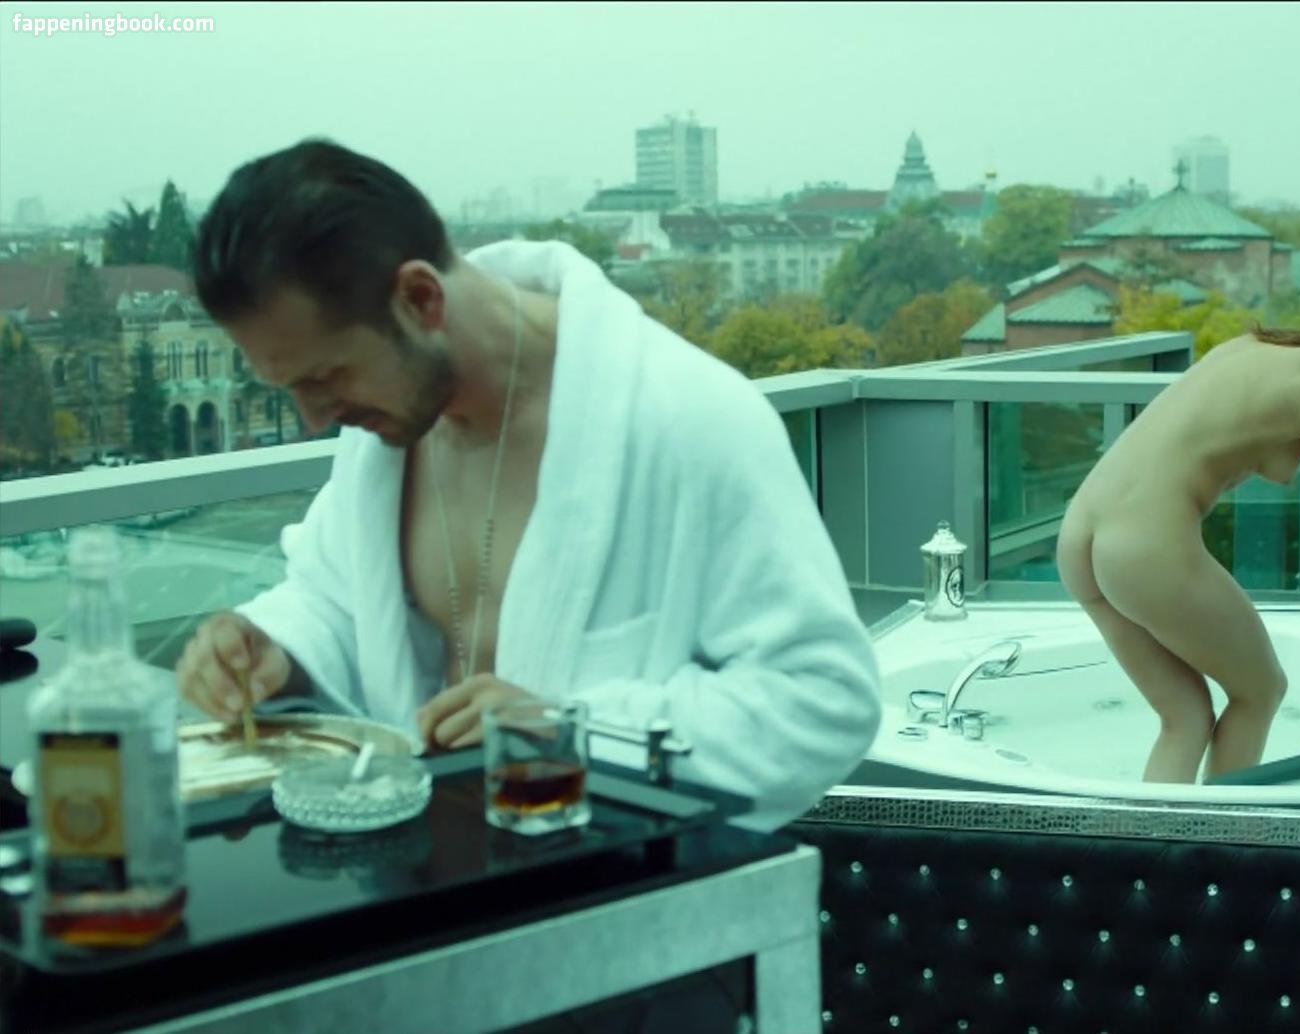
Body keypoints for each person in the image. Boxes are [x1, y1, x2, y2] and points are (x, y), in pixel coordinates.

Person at [173, 139, 881, 831]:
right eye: (292, 388)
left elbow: (820, 703)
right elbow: (339, 602)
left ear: (420, 298)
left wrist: (572, 732)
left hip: (622, 888)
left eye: (327, 376)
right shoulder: (385, 425)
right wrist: (275, 653)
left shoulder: (691, 418)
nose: (313, 419)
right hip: (424, 879)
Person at [1056, 251, 1300, 784]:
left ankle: (1153, 838)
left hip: (1079, 534)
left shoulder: (1254, 346)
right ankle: (1221, 835)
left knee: (1185, 717)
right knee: (1261, 691)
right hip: (1143, 548)